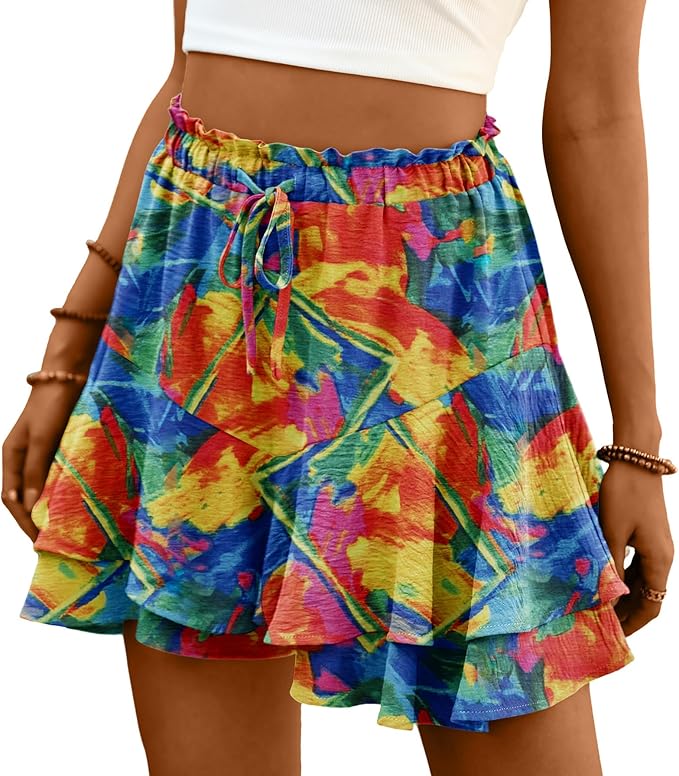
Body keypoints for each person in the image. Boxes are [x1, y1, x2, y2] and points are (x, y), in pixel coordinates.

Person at [2, 0, 674, 774]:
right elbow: (187, 71)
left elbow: (596, 112)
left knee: (508, 689)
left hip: (434, 300)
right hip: (199, 276)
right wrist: (71, 344)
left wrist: (637, 440)